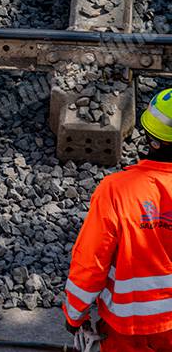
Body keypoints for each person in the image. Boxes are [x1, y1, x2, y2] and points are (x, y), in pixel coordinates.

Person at [63, 88, 172, 351]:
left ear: (150, 138)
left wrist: (74, 315)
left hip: (129, 328)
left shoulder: (116, 190)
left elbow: (91, 262)